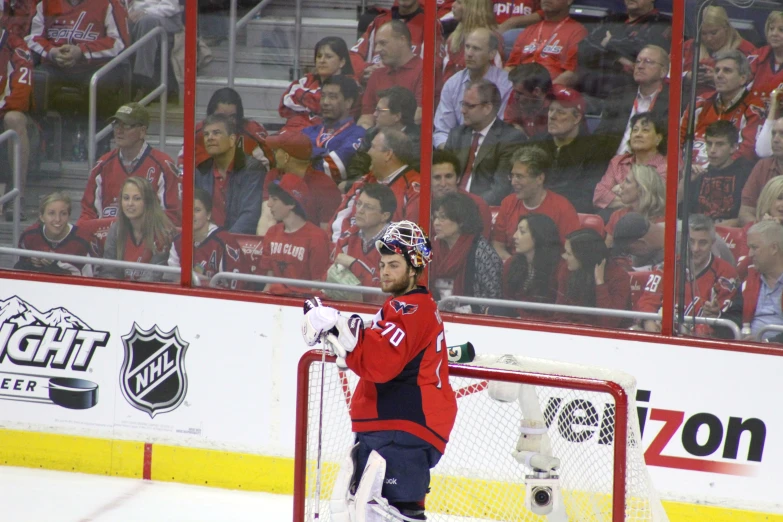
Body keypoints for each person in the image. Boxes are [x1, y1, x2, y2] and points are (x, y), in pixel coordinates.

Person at [301, 220, 457, 522]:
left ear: (415, 268)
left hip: (404, 427)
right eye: (383, 264)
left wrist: (340, 328)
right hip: (392, 426)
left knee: (388, 515)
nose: (384, 271)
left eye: (394, 265)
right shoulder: (403, 308)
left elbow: (381, 363)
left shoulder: (411, 309)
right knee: (363, 511)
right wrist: (341, 334)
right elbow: (375, 348)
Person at [635, 214, 738, 337]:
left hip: (702, 343)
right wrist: (648, 322)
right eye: (691, 241)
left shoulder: (726, 273)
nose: (695, 249)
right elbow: (648, 300)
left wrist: (714, 315)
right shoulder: (667, 266)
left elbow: (725, 322)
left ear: (712, 243)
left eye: (702, 243)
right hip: (664, 336)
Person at [79, 103, 181, 225]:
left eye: (126, 126)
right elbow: (88, 214)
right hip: (108, 241)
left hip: (149, 241)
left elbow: (172, 216)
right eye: (116, 124)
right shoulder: (102, 165)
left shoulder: (163, 166)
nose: (119, 130)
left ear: (142, 131)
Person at [25, 0, 130, 116]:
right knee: (35, 79)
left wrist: (82, 51)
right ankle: (39, 129)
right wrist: (52, 51)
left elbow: (119, 42)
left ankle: (98, 132)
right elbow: (32, 37)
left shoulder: (109, 4)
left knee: (102, 84)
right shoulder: (45, 4)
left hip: (94, 67)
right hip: (54, 65)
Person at [444, 78, 526, 205]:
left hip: (484, 210)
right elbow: (443, 175)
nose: (463, 110)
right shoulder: (457, 134)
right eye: (463, 104)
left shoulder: (510, 139)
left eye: (470, 106)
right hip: (451, 207)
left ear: (487, 108)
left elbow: (500, 189)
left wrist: (467, 207)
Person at [330, 129, 420, 242]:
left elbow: (410, 236)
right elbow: (338, 225)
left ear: (388, 154)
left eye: (372, 147)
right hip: (350, 254)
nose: (368, 152)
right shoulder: (364, 182)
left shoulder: (414, 188)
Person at [492, 145, 579, 261]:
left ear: (539, 178)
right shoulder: (508, 203)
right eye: (512, 176)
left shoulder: (563, 208)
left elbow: (570, 254)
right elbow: (498, 245)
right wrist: (514, 267)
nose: (513, 182)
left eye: (519, 176)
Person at [680, 50, 764, 166]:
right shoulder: (700, 102)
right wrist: (682, 167)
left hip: (726, 174)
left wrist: (711, 171)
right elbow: (677, 141)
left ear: (743, 79)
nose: (719, 75)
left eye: (727, 71)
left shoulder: (754, 108)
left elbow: (747, 152)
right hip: (687, 170)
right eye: (717, 70)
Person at [538, 86, 614, 213]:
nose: (552, 116)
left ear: (577, 118)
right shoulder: (537, 144)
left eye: (561, 112)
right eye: (551, 110)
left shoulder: (595, 151)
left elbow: (585, 197)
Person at [576, 0, 671, 100]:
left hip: (629, 98)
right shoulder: (612, 20)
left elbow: (644, 51)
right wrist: (617, 58)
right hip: (592, 93)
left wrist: (609, 42)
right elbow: (583, 48)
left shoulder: (663, 23)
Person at [434, 28, 512, 148]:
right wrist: (453, 155)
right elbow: (442, 131)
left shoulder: (506, 84)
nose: (469, 53)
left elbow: (501, 130)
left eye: (476, 49)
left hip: (490, 151)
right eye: (467, 47)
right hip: (455, 151)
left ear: (491, 54)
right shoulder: (452, 83)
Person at [256, 132, 341, 235]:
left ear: (286, 157)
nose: (274, 154)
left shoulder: (325, 186)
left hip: (309, 245)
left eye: (276, 150)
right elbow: (267, 218)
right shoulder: (273, 175)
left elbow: (326, 233)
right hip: (277, 244)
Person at [194, 113, 265, 234]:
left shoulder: (252, 169)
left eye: (216, 133)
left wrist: (224, 242)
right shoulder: (201, 171)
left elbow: (249, 216)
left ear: (232, 139)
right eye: (206, 134)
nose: (209, 138)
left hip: (238, 243)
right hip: (207, 242)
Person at [261, 174, 330, 295]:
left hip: (303, 306)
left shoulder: (316, 237)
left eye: (274, 199)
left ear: (291, 203)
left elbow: (317, 286)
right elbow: (268, 284)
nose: (269, 204)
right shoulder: (272, 233)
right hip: (275, 305)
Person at [432, 192, 502, 313]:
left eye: (442, 218)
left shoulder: (481, 252)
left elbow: (493, 299)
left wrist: (465, 310)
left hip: (473, 321)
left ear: (461, 221)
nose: (436, 223)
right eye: (435, 217)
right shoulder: (433, 248)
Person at [594, 45, 670, 156]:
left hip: (650, 168)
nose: (640, 66)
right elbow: (600, 137)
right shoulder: (618, 95)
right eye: (638, 61)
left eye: (648, 62)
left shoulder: (673, 101)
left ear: (663, 71)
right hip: (614, 166)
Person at [97, 177, 174, 282]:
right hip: (120, 292)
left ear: (148, 202)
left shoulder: (163, 232)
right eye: (126, 198)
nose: (130, 204)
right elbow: (108, 271)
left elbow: (154, 277)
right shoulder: (116, 229)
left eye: (137, 199)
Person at [168, 188, 247, 288]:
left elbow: (235, 287)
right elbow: (173, 280)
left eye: (197, 210)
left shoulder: (224, 242)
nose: (191, 215)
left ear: (208, 214)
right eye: (187, 209)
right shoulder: (178, 241)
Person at [594, 112, 666, 218]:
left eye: (645, 130)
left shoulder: (665, 167)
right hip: (614, 218)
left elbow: (655, 203)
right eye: (635, 130)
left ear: (658, 138)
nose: (638, 134)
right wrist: (635, 200)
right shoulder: (618, 162)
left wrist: (618, 194)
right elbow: (599, 195)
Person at [350, 0, 443, 82]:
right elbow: (353, 55)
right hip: (374, 87)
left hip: (407, 91)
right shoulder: (379, 20)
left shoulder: (431, 23)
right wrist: (365, 69)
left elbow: (435, 65)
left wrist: (391, 71)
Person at [555, 228, 631, 328]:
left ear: (584, 256)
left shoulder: (619, 277)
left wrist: (600, 283)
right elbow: (560, 313)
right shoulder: (567, 269)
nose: (564, 256)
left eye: (569, 254)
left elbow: (609, 322)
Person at [183, 87, 271, 171]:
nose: (226, 122)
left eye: (232, 117)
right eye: (221, 117)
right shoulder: (198, 134)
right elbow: (182, 170)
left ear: (239, 116)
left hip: (245, 185)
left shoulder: (252, 134)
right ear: (210, 115)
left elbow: (268, 172)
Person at [681, 121, 751, 226]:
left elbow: (748, 216)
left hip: (730, 234)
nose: (712, 150)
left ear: (733, 147)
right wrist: (685, 181)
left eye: (719, 144)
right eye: (709, 144)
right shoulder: (699, 173)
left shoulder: (745, 172)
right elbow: (675, 210)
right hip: (697, 232)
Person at [279, 37, 356, 132]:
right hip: (292, 130)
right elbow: (284, 106)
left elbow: (329, 110)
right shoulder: (305, 81)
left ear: (342, 62)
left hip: (325, 135)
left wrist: (303, 101)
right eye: (319, 56)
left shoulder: (350, 84)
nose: (322, 61)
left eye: (328, 57)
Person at [504, 0, 586, 88]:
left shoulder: (577, 31)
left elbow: (572, 74)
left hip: (552, 92)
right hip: (520, 90)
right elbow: (510, 67)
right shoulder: (528, 30)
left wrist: (545, 92)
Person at [332, 183, 397, 293]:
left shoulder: (400, 244)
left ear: (384, 216)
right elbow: (331, 284)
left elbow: (387, 291)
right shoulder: (347, 239)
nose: (360, 210)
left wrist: (354, 265)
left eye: (368, 207)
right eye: (359, 204)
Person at [358, 21, 424, 129]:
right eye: (376, 44)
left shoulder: (424, 71)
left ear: (402, 40)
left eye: (383, 43)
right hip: (378, 139)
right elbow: (367, 115)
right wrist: (365, 131)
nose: (377, 50)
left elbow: (419, 115)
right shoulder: (377, 75)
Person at [302, 75, 366, 184]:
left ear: (348, 102)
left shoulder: (358, 134)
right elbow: (288, 159)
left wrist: (308, 156)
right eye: (323, 96)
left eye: (332, 97)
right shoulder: (310, 131)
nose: (325, 102)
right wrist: (323, 153)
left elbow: (332, 169)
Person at [726, 220, 783, 342]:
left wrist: (767, 343)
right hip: (749, 351)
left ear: (774, 248)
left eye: (754, 248)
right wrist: (717, 317)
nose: (750, 254)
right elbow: (736, 317)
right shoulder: (749, 282)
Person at [496, 213, 562, 319]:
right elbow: (507, 301)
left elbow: (558, 312)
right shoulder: (511, 263)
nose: (514, 236)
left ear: (538, 236)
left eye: (522, 232)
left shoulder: (559, 269)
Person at [348, 86, 421, 180]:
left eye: (380, 111)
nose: (374, 114)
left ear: (397, 116)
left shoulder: (417, 143)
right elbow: (357, 167)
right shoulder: (371, 133)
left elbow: (410, 178)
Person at [683, 6, 757, 96]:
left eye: (713, 33)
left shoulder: (747, 51)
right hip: (688, 104)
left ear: (726, 27)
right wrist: (686, 76)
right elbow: (666, 75)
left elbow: (752, 85)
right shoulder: (688, 47)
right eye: (703, 33)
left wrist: (718, 78)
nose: (709, 38)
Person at [15, 192, 94, 276]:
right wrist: (30, 262)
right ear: (41, 216)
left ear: (69, 216)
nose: (57, 219)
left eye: (63, 213)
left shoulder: (82, 241)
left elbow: (91, 281)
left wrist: (58, 268)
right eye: (51, 213)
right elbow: (19, 271)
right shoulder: (29, 236)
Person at [0, 22, 32, 218]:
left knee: (14, 118)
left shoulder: (17, 47)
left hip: (8, 117)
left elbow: (20, 98)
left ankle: (17, 197)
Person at [126, 0, 182, 100]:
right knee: (123, 23)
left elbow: (171, 7)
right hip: (137, 17)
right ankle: (123, 82)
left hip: (166, 17)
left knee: (147, 22)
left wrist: (145, 12)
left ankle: (143, 81)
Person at [431, 149, 492, 238]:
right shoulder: (420, 203)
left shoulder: (477, 205)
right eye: (437, 177)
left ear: (458, 178)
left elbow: (479, 245)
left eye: (448, 176)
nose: (443, 184)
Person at [442, 0, 504, 82]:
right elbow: (447, 79)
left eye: (459, 2)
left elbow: (497, 78)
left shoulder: (491, 39)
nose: (453, 5)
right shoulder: (452, 39)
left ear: (473, 8)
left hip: (485, 91)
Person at [605, 164, 665, 247]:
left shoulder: (664, 221)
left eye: (627, 181)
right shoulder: (617, 216)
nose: (621, 185)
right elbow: (608, 253)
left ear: (642, 189)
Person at [740, 118, 783, 226]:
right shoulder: (762, 166)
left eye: (782, 134)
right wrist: (762, 226)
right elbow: (745, 212)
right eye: (773, 134)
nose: (775, 140)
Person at [503, 62, 552, 139]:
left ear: (537, 91)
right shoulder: (515, 95)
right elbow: (511, 123)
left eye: (519, 93)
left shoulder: (557, 102)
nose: (515, 96)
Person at [748, 11, 783, 106]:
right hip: (752, 115)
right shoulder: (757, 56)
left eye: (781, 30)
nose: (774, 33)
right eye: (771, 29)